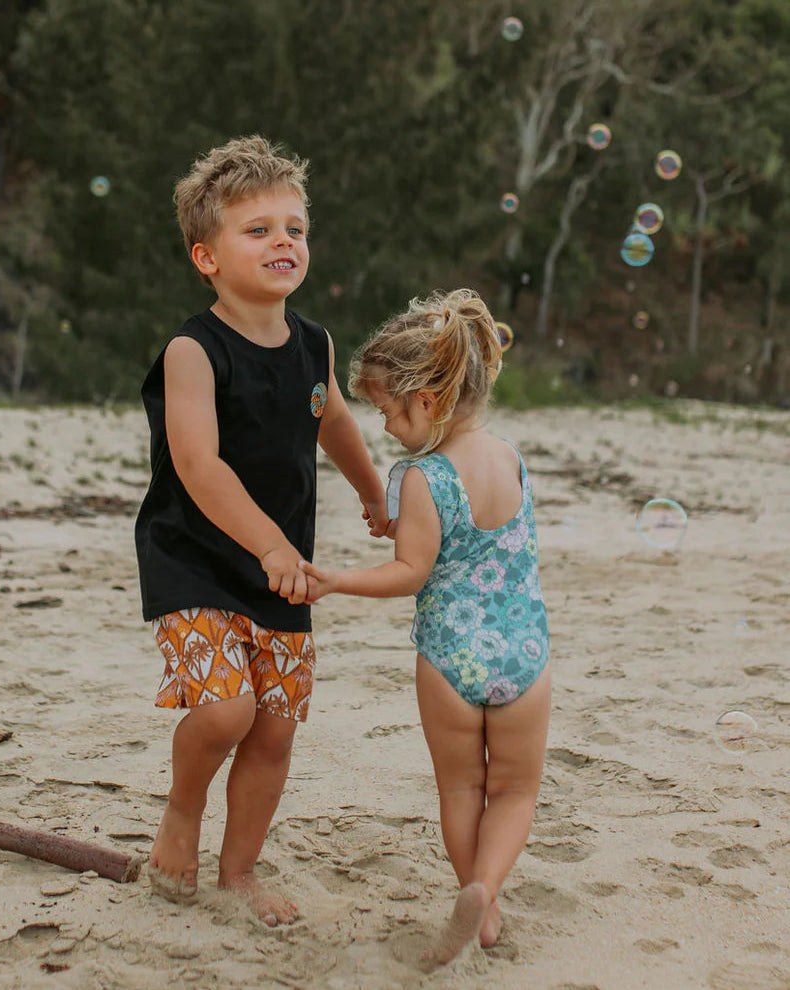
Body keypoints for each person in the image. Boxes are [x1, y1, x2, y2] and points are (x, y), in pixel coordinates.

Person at [134, 135, 389, 927]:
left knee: (274, 729)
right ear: (206, 256)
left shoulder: (314, 344)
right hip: (198, 560)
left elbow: (334, 422)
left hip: (282, 574)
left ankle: (238, 870)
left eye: (295, 228)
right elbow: (199, 464)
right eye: (259, 229)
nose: (284, 241)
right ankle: (182, 811)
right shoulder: (193, 350)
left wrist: (376, 493)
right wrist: (271, 544)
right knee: (223, 712)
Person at [300, 288, 550, 964]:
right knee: (518, 789)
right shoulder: (509, 459)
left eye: (386, 410)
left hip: (450, 657)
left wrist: (338, 578)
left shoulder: (421, 475)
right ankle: (488, 888)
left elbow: (411, 569)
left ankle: (480, 906)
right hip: (526, 651)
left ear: (427, 400)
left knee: (464, 787)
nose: (384, 427)